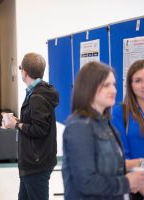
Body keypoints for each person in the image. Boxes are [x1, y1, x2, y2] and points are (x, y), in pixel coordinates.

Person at [62, 61, 144, 200]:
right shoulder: (79, 126)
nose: (113, 90)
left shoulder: (105, 124)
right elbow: (86, 182)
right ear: (89, 87)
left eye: (114, 85)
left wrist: (135, 179)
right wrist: (127, 182)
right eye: (106, 85)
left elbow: (114, 169)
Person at [4, 53, 59, 200]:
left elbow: (40, 129)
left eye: (20, 68)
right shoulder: (36, 93)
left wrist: (16, 124)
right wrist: (19, 121)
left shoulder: (37, 96)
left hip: (36, 163)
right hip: (32, 161)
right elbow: (36, 122)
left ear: (25, 72)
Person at [112, 59, 144, 199]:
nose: (143, 85)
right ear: (130, 85)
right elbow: (122, 157)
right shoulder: (120, 112)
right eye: (138, 80)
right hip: (136, 183)